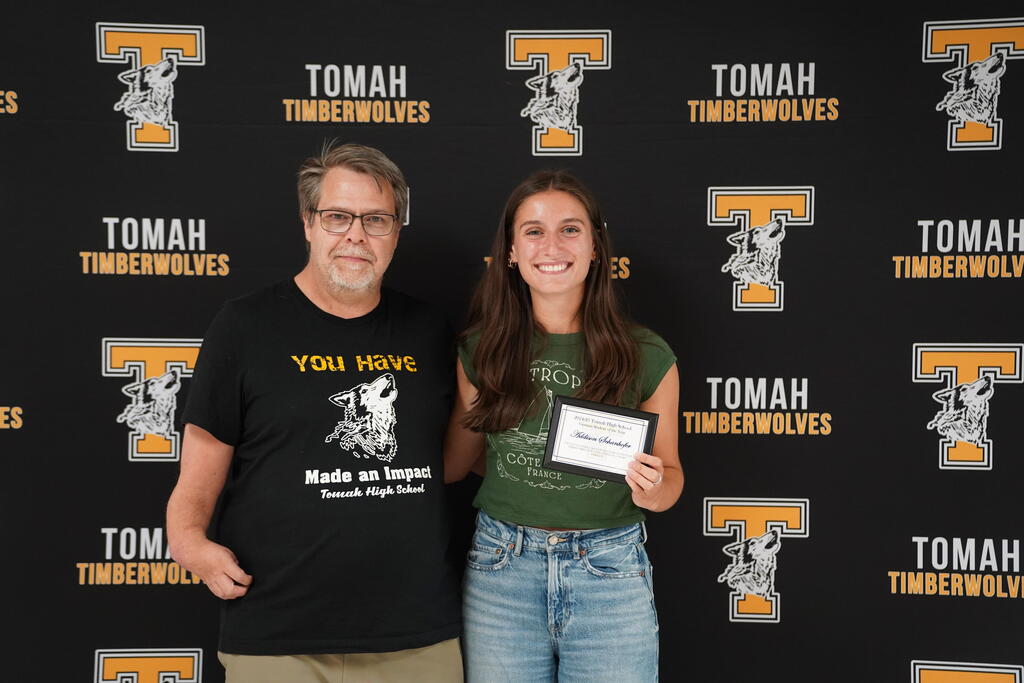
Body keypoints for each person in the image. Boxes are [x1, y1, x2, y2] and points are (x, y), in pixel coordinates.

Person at [166, 142, 462, 682]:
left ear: (396, 231)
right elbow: (200, 463)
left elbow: (455, 461)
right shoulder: (244, 326)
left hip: (415, 631)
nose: (356, 235)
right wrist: (188, 541)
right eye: (337, 217)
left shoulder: (432, 330)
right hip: (278, 632)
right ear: (308, 223)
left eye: (376, 220)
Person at [445, 169, 683, 682]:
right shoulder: (479, 351)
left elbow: (671, 480)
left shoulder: (647, 354)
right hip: (502, 570)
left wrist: (654, 488)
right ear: (511, 251)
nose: (551, 246)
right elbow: (456, 464)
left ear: (595, 246)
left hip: (610, 570)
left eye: (570, 229)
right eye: (533, 231)